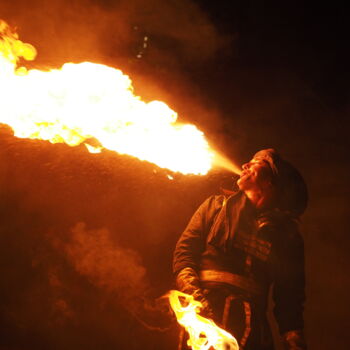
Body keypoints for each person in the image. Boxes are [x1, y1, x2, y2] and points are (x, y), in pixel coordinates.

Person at [173, 149, 307, 350]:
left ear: (271, 179)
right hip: (202, 319)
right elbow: (185, 253)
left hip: (251, 330)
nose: (245, 165)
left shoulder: (286, 236)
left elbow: (289, 296)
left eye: (256, 162)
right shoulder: (215, 207)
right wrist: (194, 294)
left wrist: (293, 339)